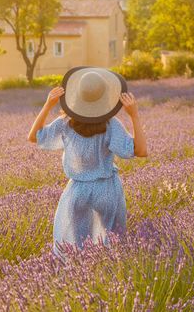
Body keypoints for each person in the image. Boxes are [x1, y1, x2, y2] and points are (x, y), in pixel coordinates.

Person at [27, 67, 148, 261]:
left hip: (78, 192)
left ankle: (80, 277)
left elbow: (33, 137)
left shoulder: (65, 123)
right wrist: (134, 115)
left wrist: (47, 105)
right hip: (107, 190)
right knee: (113, 245)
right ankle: (107, 277)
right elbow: (141, 151)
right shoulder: (111, 125)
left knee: (78, 248)